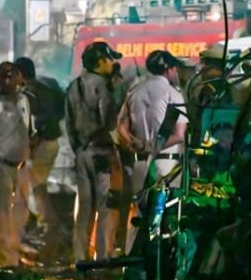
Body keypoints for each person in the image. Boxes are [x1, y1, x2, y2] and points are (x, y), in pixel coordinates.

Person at [118, 49, 189, 250]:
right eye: (175, 68)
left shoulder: (135, 91)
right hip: (168, 164)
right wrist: (152, 147)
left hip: (140, 163)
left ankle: (133, 259)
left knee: (140, 215)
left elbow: (120, 125)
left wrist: (134, 143)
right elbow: (179, 134)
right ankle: (158, 259)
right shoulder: (173, 94)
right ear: (169, 69)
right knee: (166, 216)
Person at [67, 41, 120, 263]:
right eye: (109, 59)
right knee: (105, 207)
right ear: (100, 61)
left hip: (81, 152)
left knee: (84, 209)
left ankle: (80, 258)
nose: (112, 63)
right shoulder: (103, 86)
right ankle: (102, 258)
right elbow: (110, 123)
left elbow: (69, 124)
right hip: (102, 153)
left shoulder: (74, 86)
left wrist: (79, 148)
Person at [0, 61, 34, 268]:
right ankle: (5, 261)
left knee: (20, 214)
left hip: (20, 166)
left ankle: (14, 254)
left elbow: (27, 130)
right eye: (4, 76)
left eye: (12, 76)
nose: (9, 81)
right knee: (2, 215)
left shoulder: (24, 100)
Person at [17, 55, 67, 246]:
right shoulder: (48, 86)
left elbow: (34, 122)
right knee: (36, 185)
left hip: (42, 144)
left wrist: (33, 139)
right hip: (51, 142)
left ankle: (48, 224)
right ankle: (43, 223)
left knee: (37, 186)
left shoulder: (29, 93)